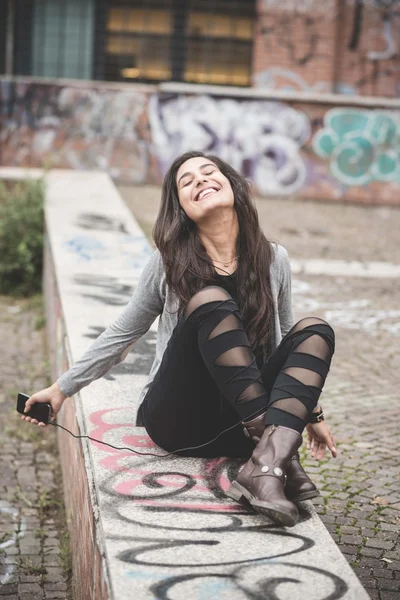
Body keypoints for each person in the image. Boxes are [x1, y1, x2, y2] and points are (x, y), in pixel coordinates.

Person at [21, 150, 337, 527]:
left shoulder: (274, 259)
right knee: (211, 301)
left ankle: (269, 461)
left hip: (238, 426)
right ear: (181, 208)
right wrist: (61, 389)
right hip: (181, 419)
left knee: (315, 329)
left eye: (209, 172)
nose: (200, 180)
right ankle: (279, 460)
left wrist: (311, 411)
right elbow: (125, 331)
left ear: (233, 186)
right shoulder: (170, 261)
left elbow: (285, 339)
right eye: (187, 181)